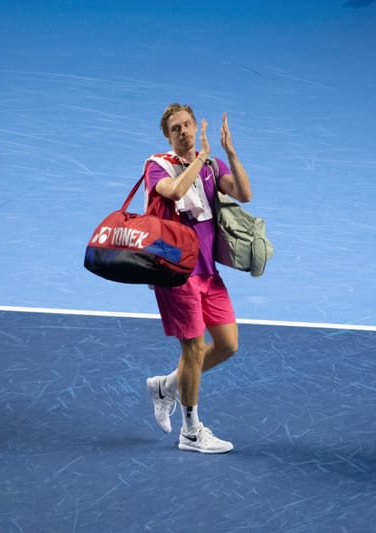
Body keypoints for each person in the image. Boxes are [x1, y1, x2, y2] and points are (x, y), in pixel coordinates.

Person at [144, 103, 252, 454]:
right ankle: (190, 432)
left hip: (209, 272)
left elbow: (244, 194)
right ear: (167, 136)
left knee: (228, 345)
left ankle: (168, 385)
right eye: (176, 128)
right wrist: (199, 157)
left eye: (188, 125)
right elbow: (174, 192)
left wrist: (229, 153)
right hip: (176, 273)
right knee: (192, 350)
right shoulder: (156, 167)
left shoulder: (210, 165)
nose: (184, 132)